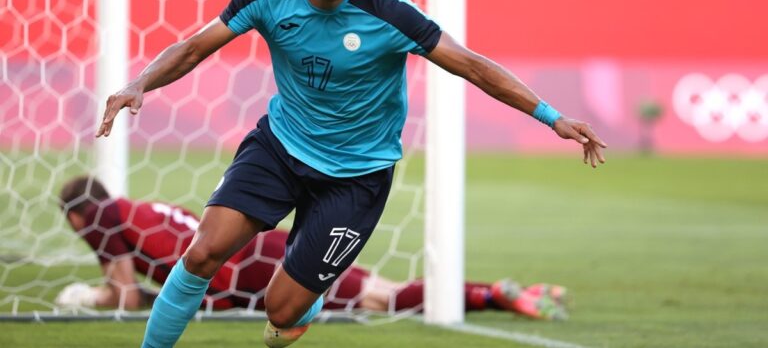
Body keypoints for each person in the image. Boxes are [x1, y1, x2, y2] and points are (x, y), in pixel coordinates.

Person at [96, 0, 606, 348]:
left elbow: (472, 65)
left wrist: (551, 117)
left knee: (280, 314)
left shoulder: (390, 14)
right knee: (203, 253)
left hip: (356, 177)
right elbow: (194, 47)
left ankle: (304, 295)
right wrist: (139, 83)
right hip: (281, 148)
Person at [56, 175, 569, 321]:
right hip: (265, 246)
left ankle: (491, 295)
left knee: (382, 300)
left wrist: (91, 296)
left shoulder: (101, 221)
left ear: (79, 215)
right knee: (381, 290)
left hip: (254, 273)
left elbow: (125, 296)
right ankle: (500, 292)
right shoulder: (131, 209)